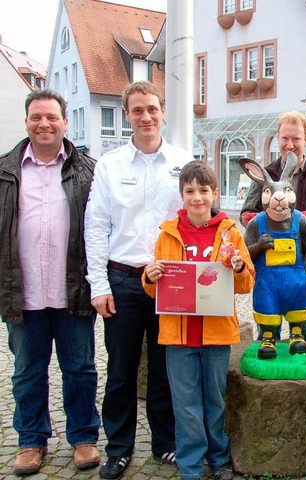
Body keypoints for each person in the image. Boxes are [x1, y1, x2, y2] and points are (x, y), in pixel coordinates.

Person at [85, 81, 193, 479]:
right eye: (137, 110)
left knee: (166, 368)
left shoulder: (183, 162)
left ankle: (165, 443)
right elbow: (96, 226)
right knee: (121, 369)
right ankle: (118, 448)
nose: (145, 116)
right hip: (124, 280)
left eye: (151, 108)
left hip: (171, 280)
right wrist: (99, 284)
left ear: (162, 111)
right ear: (127, 114)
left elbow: (196, 217)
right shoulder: (110, 165)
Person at [0, 89, 100, 476]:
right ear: (27, 121)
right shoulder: (6, 171)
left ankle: (83, 438)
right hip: (22, 292)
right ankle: (31, 441)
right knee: (27, 371)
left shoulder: (88, 171)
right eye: (36, 117)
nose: (44, 123)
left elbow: (99, 230)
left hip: (71, 288)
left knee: (80, 369)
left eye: (51, 117)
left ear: (64, 122)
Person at [142, 161, 255, 480]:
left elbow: (247, 284)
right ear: (181, 194)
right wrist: (149, 277)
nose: (197, 197)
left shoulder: (230, 232)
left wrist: (236, 269)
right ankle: (190, 465)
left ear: (214, 193)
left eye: (203, 191)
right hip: (178, 336)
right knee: (185, 403)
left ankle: (218, 458)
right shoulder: (168, 233)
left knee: (215, 399)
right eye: (189, 191)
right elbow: (155, 289)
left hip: (217, 333)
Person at [241, 111, 306, 345]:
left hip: (305, 264)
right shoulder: (265, 174)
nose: (290, 145)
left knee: (304, 322)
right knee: (267, 315)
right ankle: (267, 343)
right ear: (278, 138)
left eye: (296, 139)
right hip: (268, 261)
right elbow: (246, 211)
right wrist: (260, 225)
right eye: (284, 138)